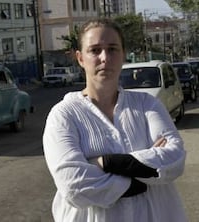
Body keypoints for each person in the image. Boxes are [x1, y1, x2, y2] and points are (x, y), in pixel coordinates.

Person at [42, 18, 187, 222]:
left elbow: (175, 159)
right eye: (94, 50)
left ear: (123, 55)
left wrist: (105, 162)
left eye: (112, 49)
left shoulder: (147, 105)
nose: (105, 58)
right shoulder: (64, 115)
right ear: (80, 58)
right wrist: (138, 179)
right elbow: (73, 185)